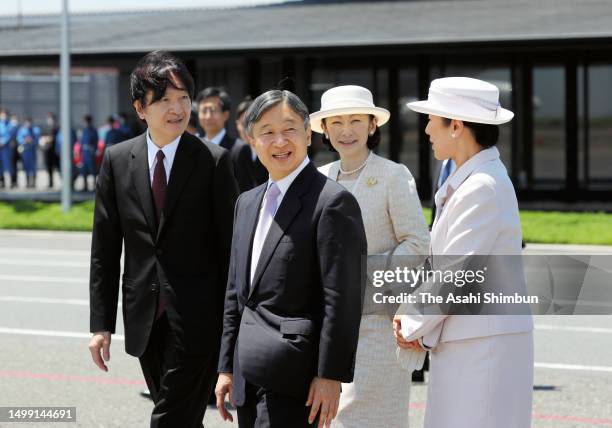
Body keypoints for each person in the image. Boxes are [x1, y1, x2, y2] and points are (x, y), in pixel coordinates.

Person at [88, 50, 238, 428]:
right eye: (165, 100)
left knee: (168, 420)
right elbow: (105, 249)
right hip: (144, 319)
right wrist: (101, 323)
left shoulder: (214, 161)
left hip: (200, 322)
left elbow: (231, 251)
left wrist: (232, 331)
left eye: (184, 98)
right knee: (183, 418)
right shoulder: (118, 159)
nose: (178, 108)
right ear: (141, 108)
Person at [215, 89, 367, 428]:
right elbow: (235, 293)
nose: (279, 141)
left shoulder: (332, 202)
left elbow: (342, 299)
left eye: (290, 129)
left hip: (296, 379)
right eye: (267, 132)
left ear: (308, 135)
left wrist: (330, 375)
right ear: (252, 140)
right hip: (246, 375)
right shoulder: (247, 203)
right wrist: (226, 366)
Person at [394, 77, 534, 428]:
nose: (426, 129)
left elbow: (454, 275)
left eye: (432, 119)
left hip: (481, 347)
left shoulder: (481, 187)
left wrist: (409, 324)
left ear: (456, 126)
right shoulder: (475, 179)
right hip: (471, 342)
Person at [311, 85, 430, 427]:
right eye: (337, 123)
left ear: (372, 126)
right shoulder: (318, 179)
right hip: (328, 327)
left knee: (367, 419)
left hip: (378, 325)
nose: (346, 131)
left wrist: (363, 277)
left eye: (355, 121)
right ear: (325, 130)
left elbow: (417, 243)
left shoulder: (394, 176)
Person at [196, 87, 255, 192]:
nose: (208, 116)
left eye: (213, 110)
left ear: (225, 114)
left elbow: (245, 191)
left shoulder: (239, 149)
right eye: (204, 111)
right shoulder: (194, 147)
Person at [236, 96, 267, 187]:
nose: (247, 130)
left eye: (251, 124)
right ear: (237, 124)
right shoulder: (232, 152)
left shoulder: (269, 150)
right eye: (244, 124)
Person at [16, 117, 40, 188]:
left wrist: (32, 141)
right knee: (26, 166)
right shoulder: (22, 130)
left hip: (33, 150)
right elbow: (19, 139)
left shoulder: (36, 130)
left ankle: (34, 183)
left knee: (34, 167)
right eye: (27, 122)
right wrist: (24, 141)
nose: (28, 124)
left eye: (29, 122)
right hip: (26, 151)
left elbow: (37, 140)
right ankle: (27, 182)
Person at [40, 112, 60, 189]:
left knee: (58, 167)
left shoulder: (56, 128)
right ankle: (50, 182)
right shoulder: (46, 128)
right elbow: (42, 137)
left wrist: (48, 139)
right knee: (49, 167)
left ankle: (66, 182)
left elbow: (53, 138)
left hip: (55, 151)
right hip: (47, 150)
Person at [80, 114, 99, 191]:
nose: (86, 123)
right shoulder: (84, 130)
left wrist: (94, 150)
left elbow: (96, 141)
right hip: (84, 151)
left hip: (90, 151)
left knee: (92, 168)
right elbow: (82, 141)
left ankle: (94, 185)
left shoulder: (93, 130)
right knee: (84, 169)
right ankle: (85, 185)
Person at [0, 109, 12, 188]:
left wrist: (3, 142)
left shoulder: (10, 125)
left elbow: (9, 135)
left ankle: (11, 182)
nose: (4, 117)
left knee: (8, 165)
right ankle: (2, 181)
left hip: (6, 148)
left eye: (5, 115)